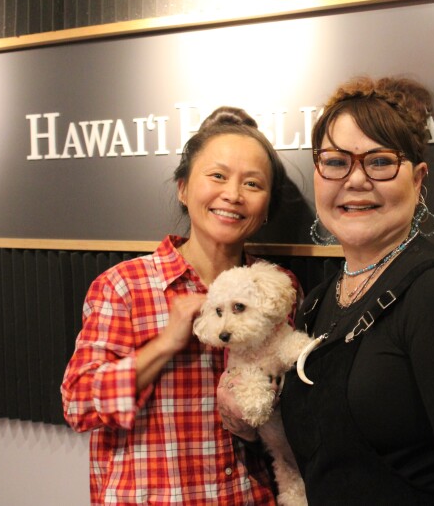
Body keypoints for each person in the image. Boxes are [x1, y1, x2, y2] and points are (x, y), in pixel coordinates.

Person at [281, 76, 434, 504]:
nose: (356, 180)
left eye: (380, 161)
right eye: (335, 161)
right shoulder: (317, 301)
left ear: (418, 180)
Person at [61, 107, 299, 506]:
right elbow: (78, 405)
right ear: (184, 189)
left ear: (267, 207)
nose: (233, 194)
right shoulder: (125, 286)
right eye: (217, 176)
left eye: (252, 183)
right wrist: (164, 345)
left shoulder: (278, 287)